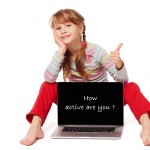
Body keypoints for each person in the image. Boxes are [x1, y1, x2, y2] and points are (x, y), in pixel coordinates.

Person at [20, 9, 150, 146]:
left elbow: (122, 81)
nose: (63, 30)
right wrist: (61, 50)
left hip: (103, 102)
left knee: (131, 87)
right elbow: (49, 79)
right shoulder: (60, 54)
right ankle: (35, 126)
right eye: (58, 28)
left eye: (68, 25)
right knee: (47, 86)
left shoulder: (96, 51)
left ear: (80, 27)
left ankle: (146, 123)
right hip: (77, 104)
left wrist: (119, 64)